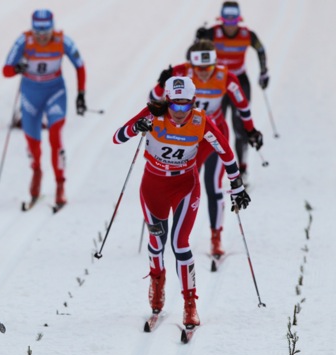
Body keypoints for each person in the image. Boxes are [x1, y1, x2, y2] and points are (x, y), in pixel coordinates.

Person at [112, 77, 250, 328]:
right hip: (153, 187)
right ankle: (157, 282)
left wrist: (237, 185)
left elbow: (226, 152)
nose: (178, 112)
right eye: (174, 106)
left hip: (185, 186)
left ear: (193, 103)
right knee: (156, 243)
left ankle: (190, 304)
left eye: (185, 106)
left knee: (180, 244)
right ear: (167, 102)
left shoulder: (200, 121)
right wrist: (136, 127)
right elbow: (117, 137)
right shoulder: (153, 114)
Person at [150, 39, 263, 258]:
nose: (202, 73)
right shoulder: (180, 73)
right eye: (198, 68)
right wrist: (159, 84)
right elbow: (153, 103)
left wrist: (250, 130)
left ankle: (215, 236)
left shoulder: (226, 77)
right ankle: (168, 233)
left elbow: (242, 106)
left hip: (213, 135)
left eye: (208, 68)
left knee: (213, 185)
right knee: (178, 184)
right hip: (185, 139)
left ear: (215, 64)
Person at [2, 9, 87, 208]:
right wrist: (17, 69)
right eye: (38, 34)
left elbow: (80, 65)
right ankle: (37, 172)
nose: (42, 38)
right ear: (32, 31)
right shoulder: (23, 41)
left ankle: (60, 184)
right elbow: (6, 70)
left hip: (55, 91)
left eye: (46, 34)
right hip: (31, 93)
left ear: (52, 29)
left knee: (55, 135)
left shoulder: (62, 40)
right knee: (32, 140)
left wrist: (81, 94)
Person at [195, 1, 269, 180]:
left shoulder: (247, 34)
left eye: (233, 21)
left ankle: (242, 170)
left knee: (240, 126)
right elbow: (194, 55)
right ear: (221, 20)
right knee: (213, 125)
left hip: (238, 80)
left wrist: (264, 71)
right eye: (226, 22)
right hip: (217, 82)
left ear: (238, 20)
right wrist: (198, 39)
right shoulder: (213, 32)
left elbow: (260, 49)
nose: (230, 26)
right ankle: (206, 168)